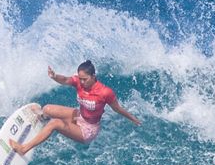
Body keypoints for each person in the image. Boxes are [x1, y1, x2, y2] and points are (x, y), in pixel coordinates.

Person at [9, 60, 140, 155]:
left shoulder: (105, 92)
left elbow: (117, 108)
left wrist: (132, 118)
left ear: (93, 76)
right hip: (79, 116)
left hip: (88, 130)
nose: (82, 82)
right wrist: (55, 76)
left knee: (55, 123)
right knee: (47, 109)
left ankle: (24, 149)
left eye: (85, 79)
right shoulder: (79, 82)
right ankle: (41, 119)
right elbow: (65, 80)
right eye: (80, 78)